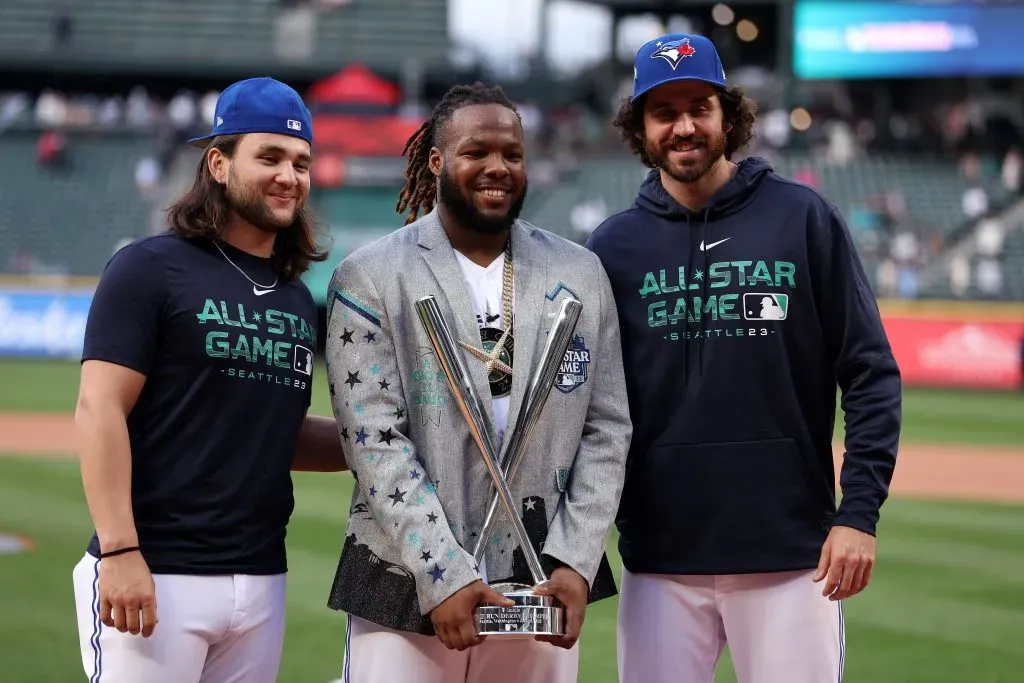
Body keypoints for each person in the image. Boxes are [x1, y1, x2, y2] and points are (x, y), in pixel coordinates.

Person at [585, 33, 902, 683]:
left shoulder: (803, 217)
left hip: (792, 558)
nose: (684, 126)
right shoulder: (612, 247)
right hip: (660, 562)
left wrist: (859, 514)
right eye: (664, 112)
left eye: (699, 106)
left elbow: (870, 373)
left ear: (728, 116)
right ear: (640, 129)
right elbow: (586, 405)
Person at [323, 82, 632, 683]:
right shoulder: (370, 275)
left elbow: (608, 427)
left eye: (512, 154)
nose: (497, 167)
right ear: (437, 161)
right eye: (476, 152)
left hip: (540, 582)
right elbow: (374, 441)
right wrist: (444, 575)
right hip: (404, 582)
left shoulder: (579, 272)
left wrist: (575, 559)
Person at [72, 77, 348, 683]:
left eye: (301, 163)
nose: (289, 176)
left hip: (262, 580)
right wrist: (120, 552)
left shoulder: (297, 297)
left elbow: (282, 433)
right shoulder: (149, 268)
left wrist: (387, 444)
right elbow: (99, 410)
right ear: (219, 164)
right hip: (155, 570)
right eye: (269, 157)